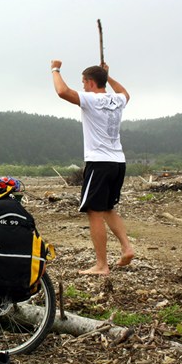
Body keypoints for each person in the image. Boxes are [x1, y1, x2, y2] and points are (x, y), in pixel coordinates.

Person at [51, 60, 135, 275]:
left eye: (83, 82)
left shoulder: (90, 99)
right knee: (108, 208)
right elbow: (125, 92)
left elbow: (62, 91)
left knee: (94, 212)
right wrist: (109, 76)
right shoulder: (117, 100)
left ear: (90, 82)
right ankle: (127, 248)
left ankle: (101, 265)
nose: (83, 86)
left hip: (99, 163)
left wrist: (56, 69)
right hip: (118, 162)